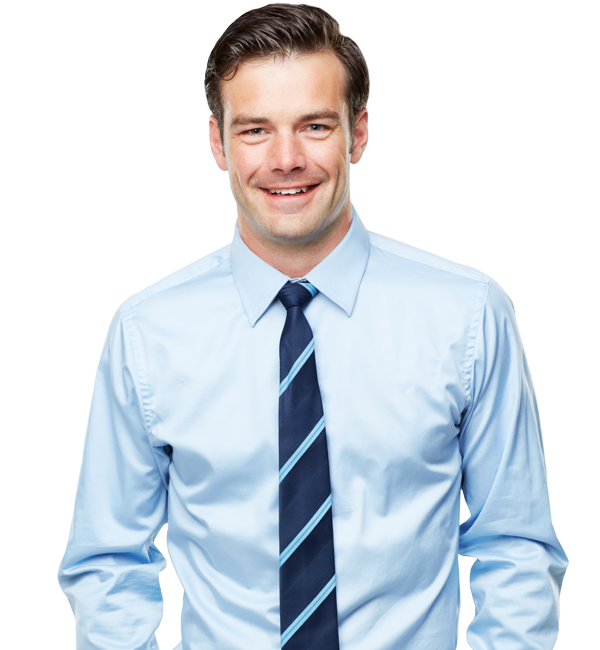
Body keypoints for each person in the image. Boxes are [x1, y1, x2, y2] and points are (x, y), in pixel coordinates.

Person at [58, 4, 568, 649]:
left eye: (315, 125)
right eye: (254, 130)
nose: (286, 158)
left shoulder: (466, 316)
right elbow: (109, 564)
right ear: (217, 143)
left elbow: (515, 544)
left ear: (357, 133)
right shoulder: (149, 333)